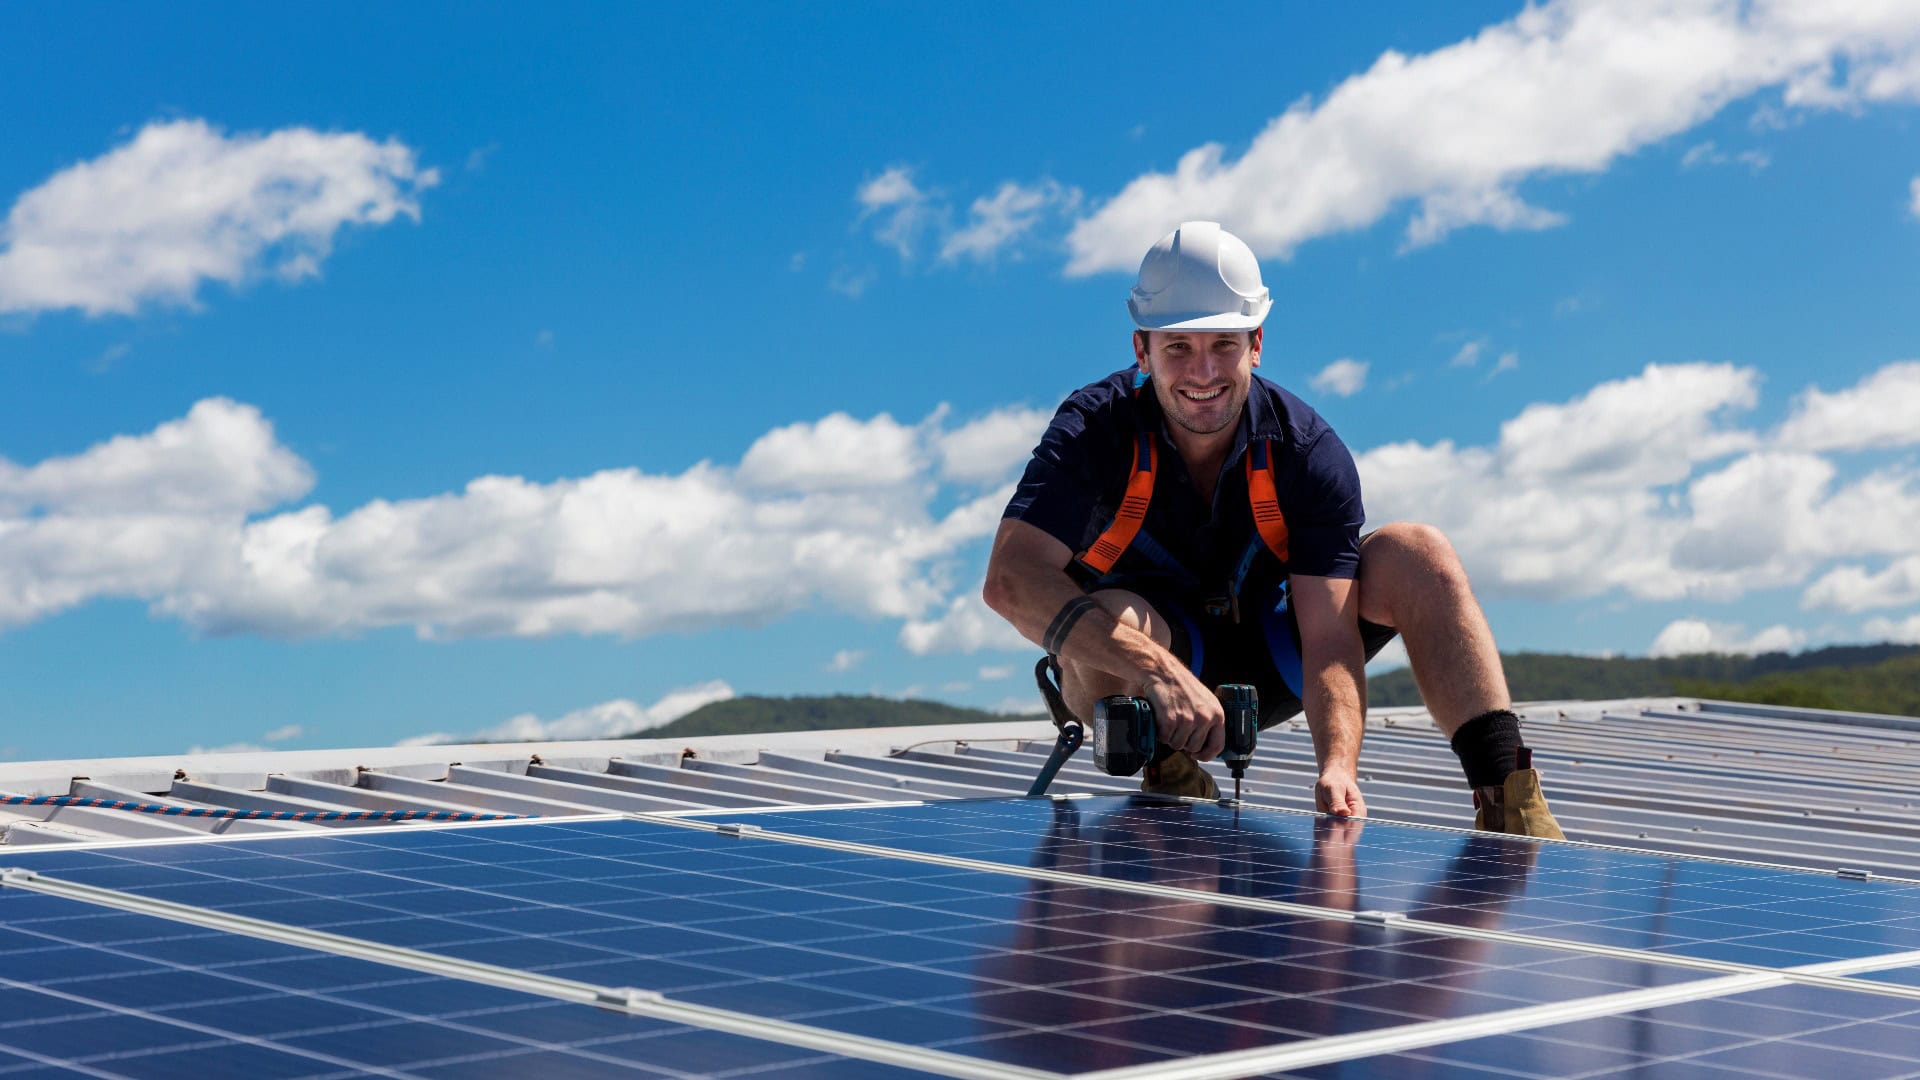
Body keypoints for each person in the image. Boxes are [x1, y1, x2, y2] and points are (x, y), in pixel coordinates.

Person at [981, 221, 1563, 838]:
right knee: (1118, 615)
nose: (1202, 372)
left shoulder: (1307, 451)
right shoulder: (1093, 431)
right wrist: (1161, 672)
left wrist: (1339, 766)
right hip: (1141, 675)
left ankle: (1511, 800)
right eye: (1178, 347)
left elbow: (1332, 640)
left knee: (1418, 552)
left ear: (1256, 344)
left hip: (1276, 657)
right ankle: (1171, 772)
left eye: (1223, 345)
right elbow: (1009, 580)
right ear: (1141, 350)